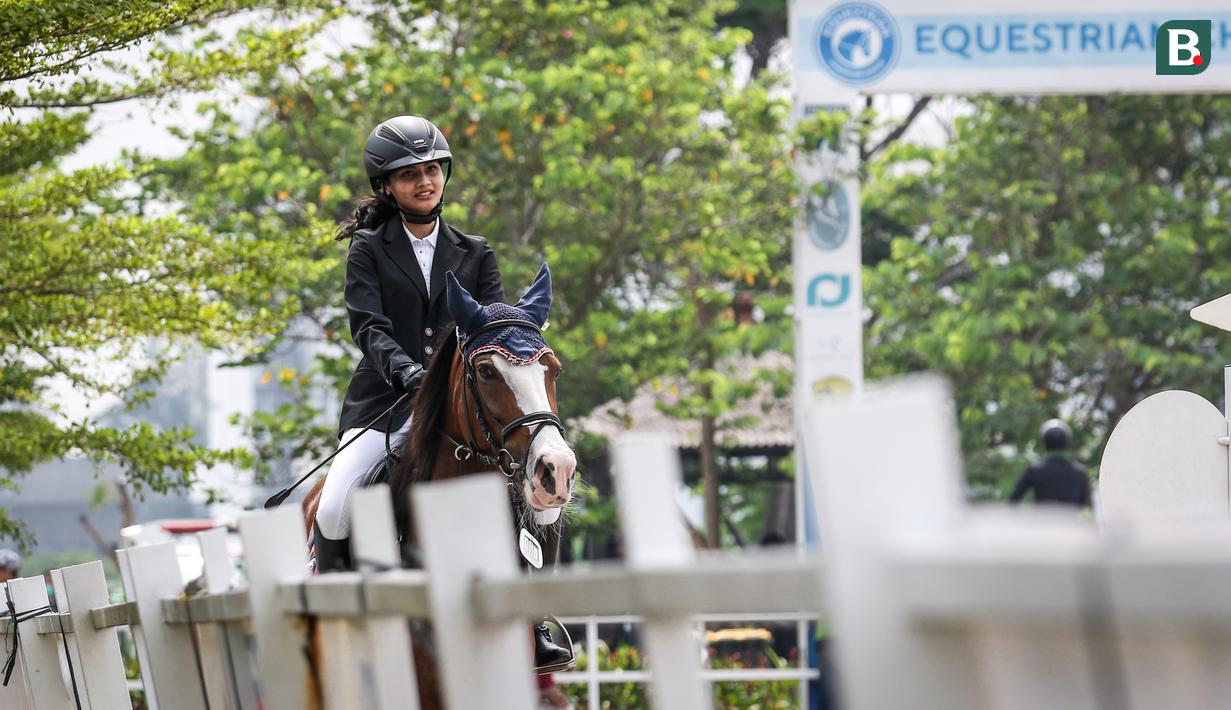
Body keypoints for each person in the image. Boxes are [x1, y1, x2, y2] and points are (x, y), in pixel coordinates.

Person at [317, 114, 570, 676]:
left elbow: (494, 330)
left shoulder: (474, 252)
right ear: (387, 186)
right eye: (410, 175)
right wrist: (406, 370)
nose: (424, 182)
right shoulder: (369, 249)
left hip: (465, 407)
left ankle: (537, 622)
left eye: (432, 170)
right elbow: (368, 326)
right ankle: (330, 606)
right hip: (385, 402)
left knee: (538, 502)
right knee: (334, 506)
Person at [1009, 418, 1091, 508]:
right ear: (1067, 443)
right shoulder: (1080, 472)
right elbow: (1084, 506)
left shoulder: (1033, 470)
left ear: (1044, 444)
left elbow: (1013, 502)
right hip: (1069, 522)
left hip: (1041, 522)